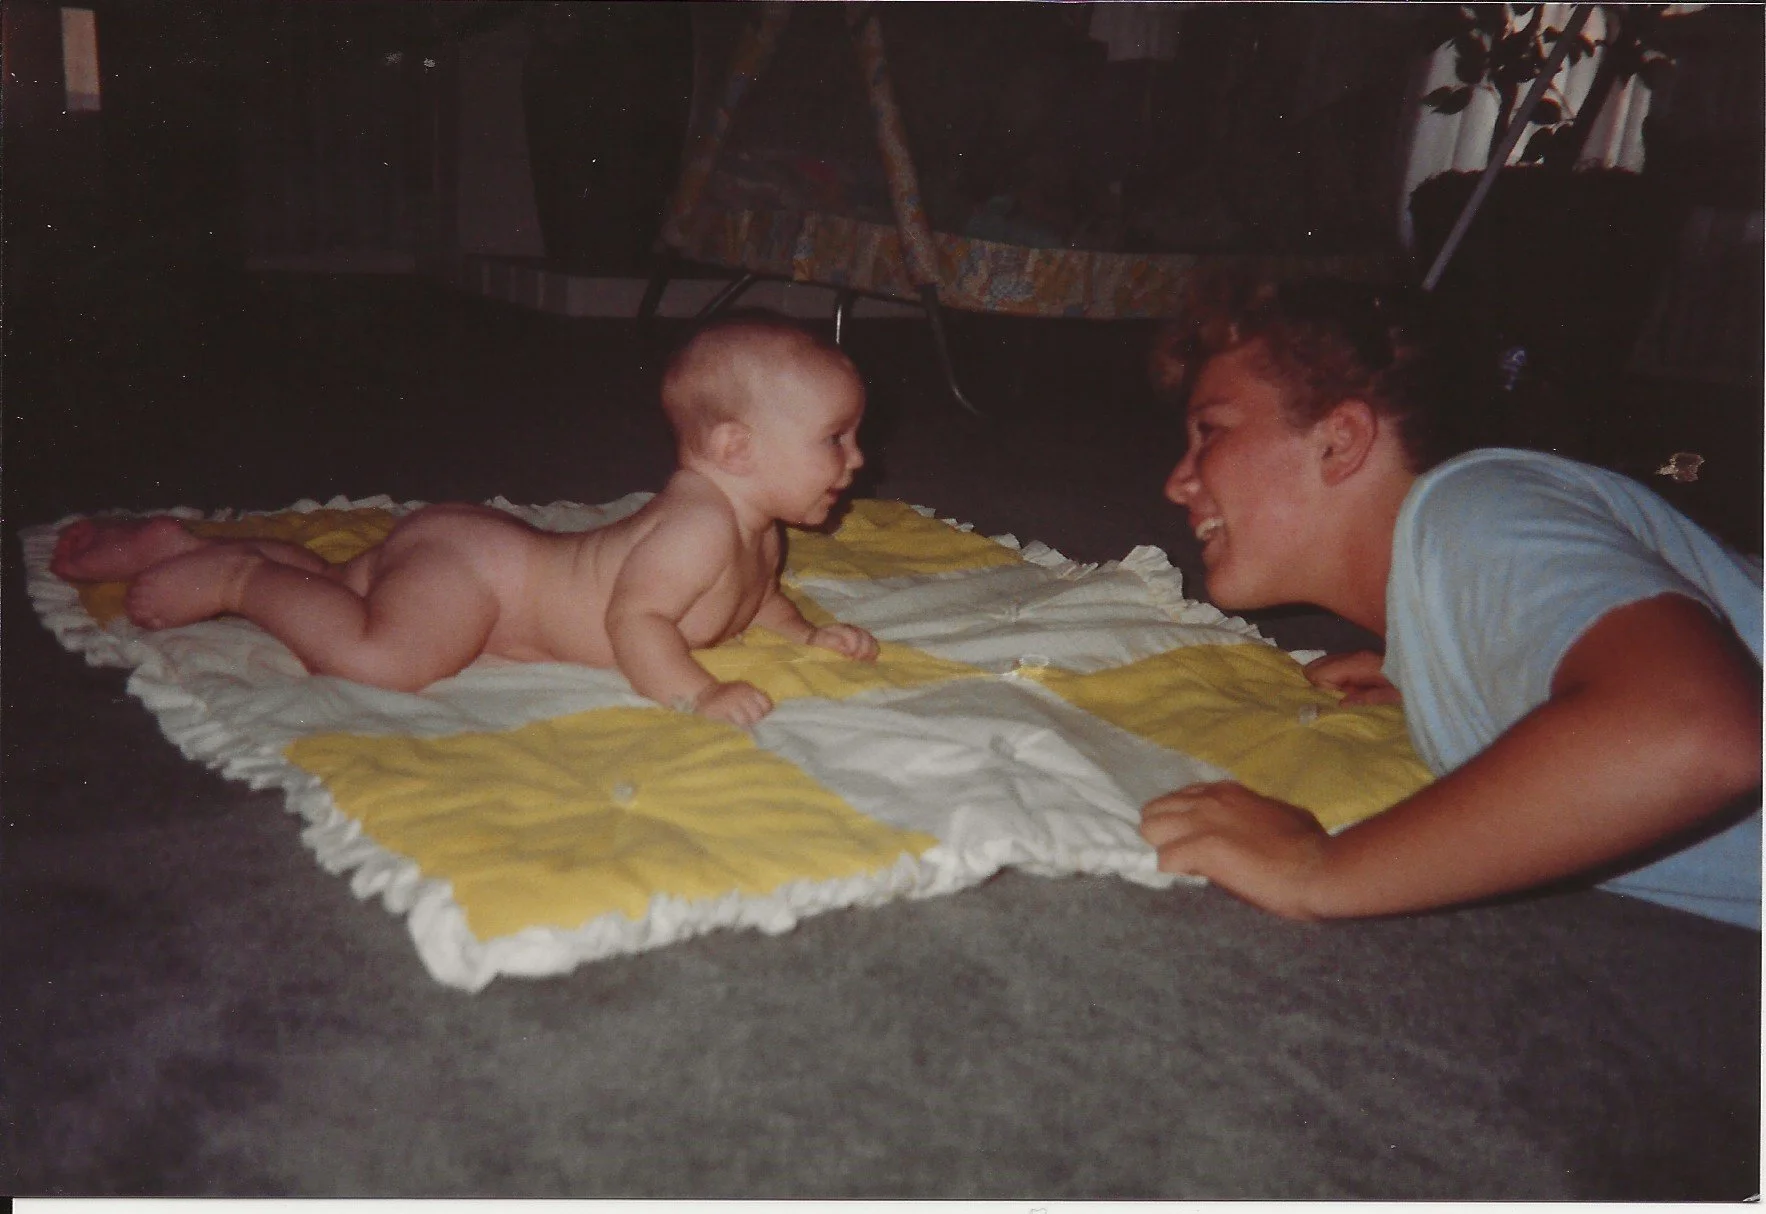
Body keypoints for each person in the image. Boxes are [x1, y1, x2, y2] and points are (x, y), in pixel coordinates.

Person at [1140, 278, 1762, 929]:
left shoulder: (1472, 503)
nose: (1177, 483)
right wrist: (1449, 670)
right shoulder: (1457, 573)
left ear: (1340, 440)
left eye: (1209, 431)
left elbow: (1695, 726)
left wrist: (1318, 870)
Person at [50, 316, 880, 726]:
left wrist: (802, 635)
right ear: (735, 447)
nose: (857, 460)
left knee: (344, 590)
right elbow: (637, 621)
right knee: (385, 658)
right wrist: (696, 694)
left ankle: (190, 546)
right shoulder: (695, 526)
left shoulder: (755, 528)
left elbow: (753, 595)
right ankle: (238, 577)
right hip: (480, 579)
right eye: (833, 439)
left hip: (479, 556)